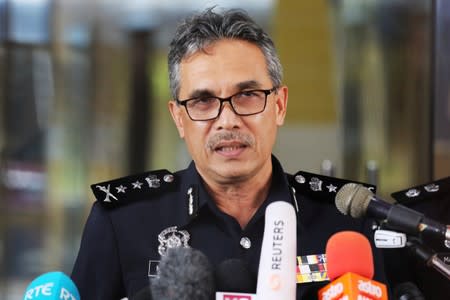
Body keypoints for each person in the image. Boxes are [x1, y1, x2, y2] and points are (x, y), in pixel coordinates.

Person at [71, 7, 388, 299]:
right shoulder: (123, 222)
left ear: (279, 106)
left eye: (248, 95)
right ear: (179, 119)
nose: (228, 120)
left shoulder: (347, 223)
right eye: (203, 101)